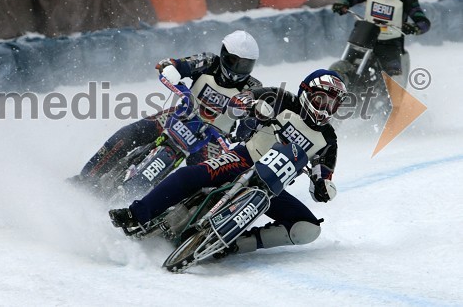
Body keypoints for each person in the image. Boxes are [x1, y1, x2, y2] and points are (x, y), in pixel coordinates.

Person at [109, 69, 347, 257]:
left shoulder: (328, 140)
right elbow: (237, 102)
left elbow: (322, 175)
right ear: (306, 92)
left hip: (271, 188)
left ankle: (236, 245)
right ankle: (136, 214)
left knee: (308, 228)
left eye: (332, 104)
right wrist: (251, 106)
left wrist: (323, 188)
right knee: (190, 176)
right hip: (243, 160)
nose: (325, 109)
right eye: (321, 100)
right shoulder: (281, 98)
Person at [69, 30, 262, 187]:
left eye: (245, 64)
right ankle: (86, 178)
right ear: (223, 55)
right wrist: (171, 67)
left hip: (213, 139)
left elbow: (254, 120)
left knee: (206, 182)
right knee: (127, 135)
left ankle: (168, 218)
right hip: (182, 116)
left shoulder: (253, 88)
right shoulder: (209, 61)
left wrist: (247, 129)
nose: (238, 68)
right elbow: (178, 64)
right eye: (233, 61)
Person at [331, 0, 431, 86]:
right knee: (343, 67)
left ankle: (391, 103)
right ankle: (334, 90)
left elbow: (423, 22)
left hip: (390, 44)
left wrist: (414, 27)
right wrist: (342, 4)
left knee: (393, 78)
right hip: (364, 38)